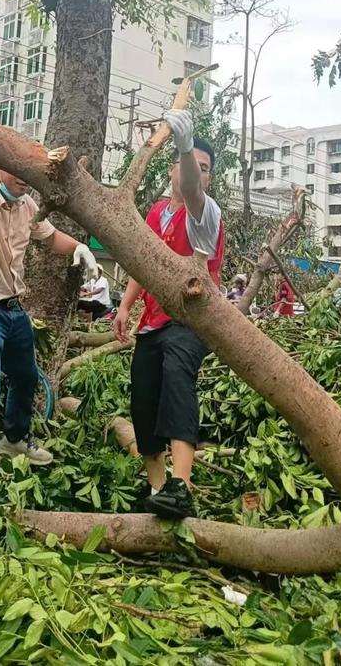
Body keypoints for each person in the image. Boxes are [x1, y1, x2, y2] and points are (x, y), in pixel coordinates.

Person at [0, 157, 99, 496]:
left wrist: (81, 247)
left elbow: (51, 237)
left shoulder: (26, 205)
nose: (26, 178)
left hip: (12, 309)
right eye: (18, 170)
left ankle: (14, 440)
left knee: (26, 376)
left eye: (29, 172)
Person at [113, 110, 225, 520]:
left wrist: (184, 145)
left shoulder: (205, 213)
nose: (198, 173)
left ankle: (181, 485)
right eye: (190, 164)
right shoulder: (156, 213)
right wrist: (125, 307)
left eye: (205, 168)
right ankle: (158, 487)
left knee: (177, 379)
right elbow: (142, 266)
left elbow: (193, 192)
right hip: (151, 323)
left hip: (191, 321)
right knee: (143, 396)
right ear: (172, 169)